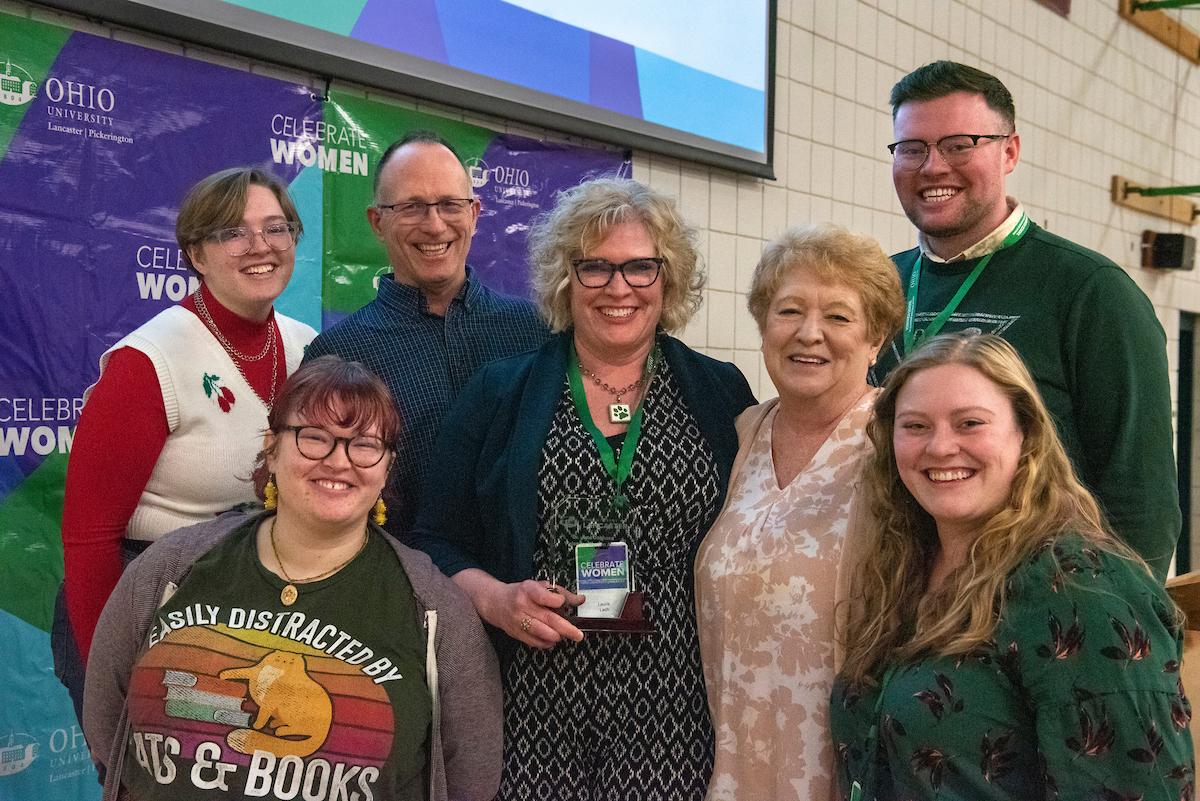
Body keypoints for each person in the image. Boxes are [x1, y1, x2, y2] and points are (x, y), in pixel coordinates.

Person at [409, 177, 756, 800]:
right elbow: (433, 538)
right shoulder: (500, 393)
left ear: (668, 278)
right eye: (594, 268)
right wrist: (494, 599)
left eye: (639, 268)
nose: (618, 288)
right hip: (534, 706)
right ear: (565, 279)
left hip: (676, 712)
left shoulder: (719, 392)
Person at [82, 355, 502, 801]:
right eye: (314, 438)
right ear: (272, 447)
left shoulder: (434, 609)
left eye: (364, 444)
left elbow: (470, 771)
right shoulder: (171, 568)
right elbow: (107, 721)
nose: (339, 461)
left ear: (386, 467)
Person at [832, 333, 1192, 801]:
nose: (940, 447)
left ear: (1026, 433)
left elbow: (1135, 786)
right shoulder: (905, 566)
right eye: (915, 426)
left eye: (970, 423)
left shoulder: (1082, 589)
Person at [873, 60, 1179, 579]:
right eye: (912, 148)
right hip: (892, 599)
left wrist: (1115, 631)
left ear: (1009, 151)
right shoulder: (877, 286)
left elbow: (1141, 499)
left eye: (959, 144)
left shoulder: (1091, 291)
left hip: (1037, 617)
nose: (932, 167)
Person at [62, 166, 317, 671]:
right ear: (197, 255)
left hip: (247, 605)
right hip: (144, 605)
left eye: (275, 227)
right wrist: (110, 674)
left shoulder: (306, 345)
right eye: (232, 233)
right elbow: (89, 538)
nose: (259, 245)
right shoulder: (148, 361)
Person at [695, 224, 903, 801]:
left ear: (876, 337)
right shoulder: (743, 434)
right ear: (764, 325)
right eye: (789, 311)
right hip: (737, 771)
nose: (810, 334)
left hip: (856, 774)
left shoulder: (901, 444)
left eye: (838, 317)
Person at [303, 130, 549, 534]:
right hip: (399, 588)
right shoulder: (338, 354)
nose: (434, 225)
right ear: (377, 221)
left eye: (450, 204)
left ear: (474, 212)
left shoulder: (535, 332)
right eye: (412, 207)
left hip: (528, 587)